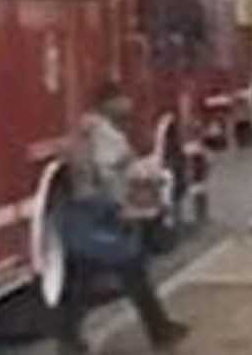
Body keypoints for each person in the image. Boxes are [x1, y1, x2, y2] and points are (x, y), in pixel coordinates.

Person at [57, 82, 189, 354]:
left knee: (90, 276)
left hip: (91, 209)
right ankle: (160, 331)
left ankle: (70, 339)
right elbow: (110, 173)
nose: (128, 104)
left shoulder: (89, 130)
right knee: (127, 271)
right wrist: (124, 205)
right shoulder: (102, 133)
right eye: (122, 99)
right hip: (103, 211)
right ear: (109, 102)